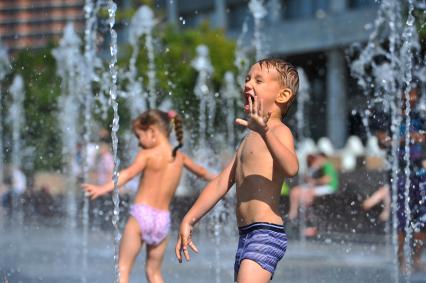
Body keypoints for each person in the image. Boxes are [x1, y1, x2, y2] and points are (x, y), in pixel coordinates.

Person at [175, 58, 299, 283]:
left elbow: (291, 168)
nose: (248, 84)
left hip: (266, 233)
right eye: (247, 79)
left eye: (258, 80)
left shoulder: (279, 132)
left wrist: (265, 132)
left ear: (282, 96)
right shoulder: (247, 139)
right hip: (246, 235)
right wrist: (189, 219)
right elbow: (220, 183)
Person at [83, 109, 215, 283]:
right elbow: (204, 173)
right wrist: (231, 178)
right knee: (154, 273)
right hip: (162, 220)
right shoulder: (180, 158)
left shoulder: (147, 155)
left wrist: (103, 188)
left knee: (123, 269)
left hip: (141, 215)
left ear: (152, 131)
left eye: (139, 136)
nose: (139, 143)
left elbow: (128, 174)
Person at [373, 85, 425, 272]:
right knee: (402, 220)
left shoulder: (421, 117)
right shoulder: (389, 116)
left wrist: (421, 138)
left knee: (423, 219)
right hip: (400, 175)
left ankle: (416, 258)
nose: (413, 98)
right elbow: (381, 142)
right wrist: (406, 139)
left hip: (421, 174)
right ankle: (401, 260)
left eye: (416, 94)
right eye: (410, 94)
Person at [288, 153, 339, 222]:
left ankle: (306, 215)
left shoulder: (327, 165)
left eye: (319, 159)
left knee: (309, 193)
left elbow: (327, 180)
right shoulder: (321, 167)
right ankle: (298, 214)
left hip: (330, 187)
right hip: (325, 187)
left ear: (323, 158)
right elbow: (308, 177)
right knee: (298, 191)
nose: (318, 161)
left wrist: (315, 181)